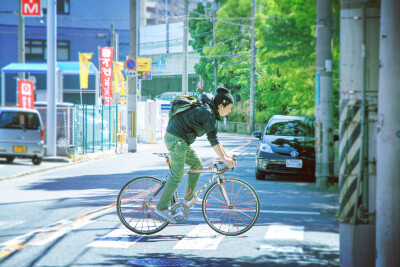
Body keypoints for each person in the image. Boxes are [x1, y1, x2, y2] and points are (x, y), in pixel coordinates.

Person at [155, 87, 236, 223]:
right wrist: (224, 158)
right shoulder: (208, 112)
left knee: (196, 165)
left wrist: (226, 156)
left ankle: (189, 197)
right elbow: (213, 140)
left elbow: (215, 138)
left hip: (181, 141)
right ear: (221, 106)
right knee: (177, 174)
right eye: (229, 108)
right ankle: (161, 207)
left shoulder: (209, 110)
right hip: (176, 140)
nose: (230, 111)